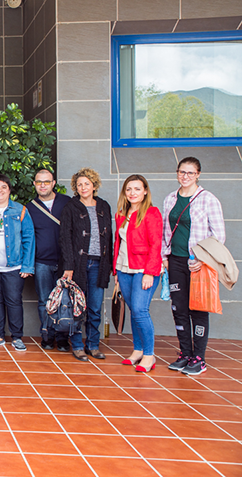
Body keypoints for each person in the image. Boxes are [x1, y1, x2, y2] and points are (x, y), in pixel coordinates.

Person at [162, 157, 225, 376]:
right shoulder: (170, 199)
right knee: (179, 309)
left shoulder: (208, 199)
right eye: (182, 172)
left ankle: (199, 358)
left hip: (198, 263)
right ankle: (184, 354)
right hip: (176, 262)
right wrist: (164, 257)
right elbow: (165, 232)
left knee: (197, 309)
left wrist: (204, 258)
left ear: (198, 174)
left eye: (190, 173)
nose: (185, 176)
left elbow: (219, 236)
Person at [60, 167, 113, 362]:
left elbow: (109, 237)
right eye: (79, 184)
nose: (83, 187)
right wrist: (69, 266)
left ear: (94, 185)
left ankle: (93, 345)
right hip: (78, 265)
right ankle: (77, 345)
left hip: (99, 264)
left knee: (95, 307)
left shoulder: (104, 206)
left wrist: (110, 264)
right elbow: (65, 238)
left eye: (87, 184)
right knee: (76, 307)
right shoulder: (71, 207)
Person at [0, 175, 35, 351]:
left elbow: (29, 238)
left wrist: (27, 266)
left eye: (4, 187)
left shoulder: (20, 210)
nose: (0, 190)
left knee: (13, 301)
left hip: (14, 266)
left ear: (9, 190)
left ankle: (17, 337)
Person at [114, 175, 162, 373]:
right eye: (128, 189)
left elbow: (156, 245)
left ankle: (149, 356)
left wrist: (150, 272)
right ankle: (137, 350)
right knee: (133, 309)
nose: (132, 193)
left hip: (143, 269)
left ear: (145, 191)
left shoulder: (151, 213)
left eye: (137, 189)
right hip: (123, 269)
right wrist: (115, 271)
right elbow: (118, 242)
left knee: (141, 310)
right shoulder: (121, 214)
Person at [26, 168, 70, 351]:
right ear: (34, 184)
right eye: (39, 182)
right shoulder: (29, 208)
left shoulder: (67, 203)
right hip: (42, 261)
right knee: (44, 301)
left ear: (53, 183)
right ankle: (46, 336)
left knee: (64, 301)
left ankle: (62, 339)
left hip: (65, 263)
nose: (42, 185)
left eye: (46, 182)